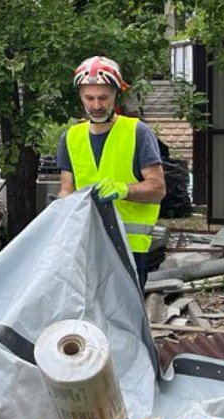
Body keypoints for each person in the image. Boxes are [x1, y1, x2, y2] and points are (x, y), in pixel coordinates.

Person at [55, 55, 165, 285]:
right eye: (90, 98)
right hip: (85, 245)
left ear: (115, 94)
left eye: (103, 98)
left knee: (124, 318)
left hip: (128, 248)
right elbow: (66, 189)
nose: (96, 105)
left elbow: (157, 188)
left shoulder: (138, 133)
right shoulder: (71, 138)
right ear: (81, 97)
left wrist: (124, 190)